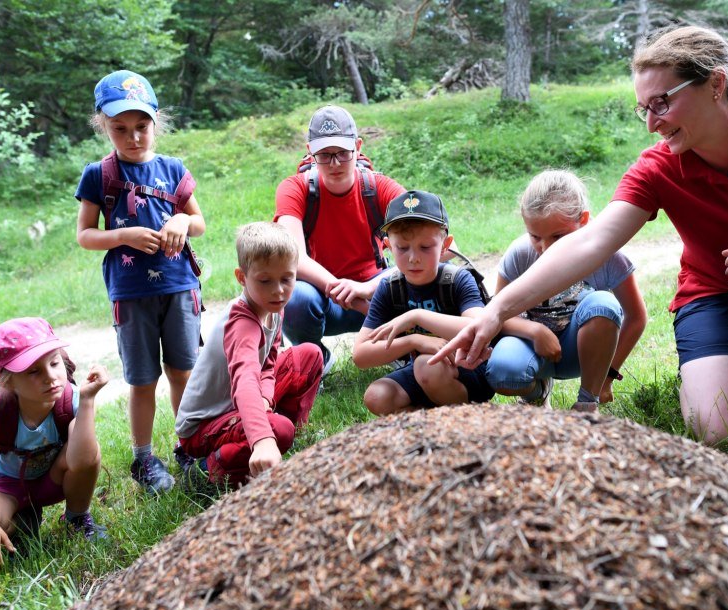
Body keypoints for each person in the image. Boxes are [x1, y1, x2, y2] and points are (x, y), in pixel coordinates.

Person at [432, 25, 728, 445]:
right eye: (644, 108)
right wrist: (498, 311)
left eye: (662, 103)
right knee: (721, 428)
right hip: (717, 293)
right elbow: (591, 241)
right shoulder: (657, 169)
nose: (651, 123)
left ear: (716, 84)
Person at [75, 70, 206, 494]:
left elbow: (199, 223)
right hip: (131, 294)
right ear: (104, 127)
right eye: (120, 129)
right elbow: (85, 235)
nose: (133, 137)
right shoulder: (99, 175)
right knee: (143, 379)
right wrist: (124, 235)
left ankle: (188, 445)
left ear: (155, 122)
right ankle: (145, 459)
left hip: (179, 286)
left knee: (183, 372)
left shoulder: (173, 169)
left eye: (141, 127)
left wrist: (183, 220)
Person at [0, 318, 109, 569]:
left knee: (89, 453)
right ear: (5, 380)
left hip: (57, 478)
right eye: (33, 371)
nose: (51, 377)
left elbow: (84, 459)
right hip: (8, 486)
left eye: (54, 363)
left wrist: (87, 402)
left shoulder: (71, 401)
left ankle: (76, 518)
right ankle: (24, 522)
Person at [174, 222, 323, 488]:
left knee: (309, 355)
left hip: (244, 402)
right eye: (265, 280)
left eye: (287, 279)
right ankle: (207, 470)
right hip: (204, 425)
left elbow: (268, 363)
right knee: (278, 431)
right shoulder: (242, 323)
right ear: (242, 277)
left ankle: (276, 441)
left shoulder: (273, 305)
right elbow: (244, 381)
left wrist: (266, 397)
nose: (278, 290)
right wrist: (263, 438)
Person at [486, 170, 648, 411]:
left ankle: (587, 402)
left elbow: (636, 317)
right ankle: (537, 393)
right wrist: (535, 331)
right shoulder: (520, 254)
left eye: (557, 236)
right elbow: (495, 314)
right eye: (535, 236)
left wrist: (609, 374)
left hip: (581, 352)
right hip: (531, 346)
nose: (545, 247)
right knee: (502, 372)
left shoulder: (609, 257)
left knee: (603, 303)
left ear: (583, 220)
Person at [273, 105, 406, 369]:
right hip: (321, 297)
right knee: (293, 295)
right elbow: (293, 257)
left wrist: (366, 290)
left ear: (357, 146)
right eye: (325, 155)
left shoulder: (380, 187)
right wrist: (343, 290)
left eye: (343, 154)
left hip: (374, 293)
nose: (334, 164)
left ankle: (395, 348)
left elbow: (427, 246)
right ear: (310, 151)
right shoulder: (294, 188)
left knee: (407, 282)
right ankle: (314, 360)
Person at [352, 190, 494, 415]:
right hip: (423, 371)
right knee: (377, 395)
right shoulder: (390, 288)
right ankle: (431, 424)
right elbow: (361, 355)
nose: (413, 258)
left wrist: (416, 316)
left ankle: (466, 418)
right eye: (402, 248)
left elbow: (477, 327)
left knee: (425, 366)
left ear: (445, 245)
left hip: (466, 371)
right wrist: (413, 341)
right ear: (387, 246)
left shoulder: (458, 279)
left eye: (425, 247)